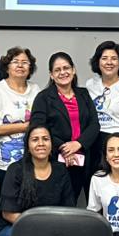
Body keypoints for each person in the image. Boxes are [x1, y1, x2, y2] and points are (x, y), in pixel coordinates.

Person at [0, 125, 75, 236]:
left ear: (51, 144)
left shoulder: (61, 170)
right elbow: (8, 214)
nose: (41, 143)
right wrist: (39, 228)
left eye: (45, 139)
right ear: (28, 146)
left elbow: (68, 209)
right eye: (35, 139)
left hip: (52, 229)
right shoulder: (15, 170)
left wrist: (50, 230)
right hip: (15, 227)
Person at [30, 51, 100, 202]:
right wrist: (64, 148)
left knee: (92, 203)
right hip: (57, 159)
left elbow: (94, 124)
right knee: (62, 204)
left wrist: (78, 143)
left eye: (66, 68)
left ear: (73, 70)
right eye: (57, 70)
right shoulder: (43, 98)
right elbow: (38, 128)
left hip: (86, 157)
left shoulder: (83, 94)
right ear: (51, 75)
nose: (63, 72)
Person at [0, 47, 41, 179]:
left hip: (30, 160)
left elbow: (41, 122)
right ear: (7, 67)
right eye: (15, 61)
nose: (20, 65)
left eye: (25, 62)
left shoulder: (35, 89)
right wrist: (25, 126)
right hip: (2, 163)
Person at [84, 42, 119, 153]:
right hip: (93, 140)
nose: (109, 62)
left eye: (114, 58)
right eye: (104, 58)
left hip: (118, 139)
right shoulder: (90, 84)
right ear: (98, 62)